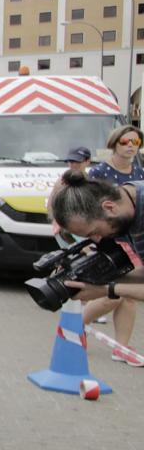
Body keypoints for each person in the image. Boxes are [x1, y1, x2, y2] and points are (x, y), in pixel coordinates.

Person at [48, 170, 144, 367]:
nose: (99, 241)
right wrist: (93, 278)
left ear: (109, 207)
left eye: (96, 232)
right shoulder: (126, 213)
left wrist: (107, 290)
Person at [79, 126, 144, 361]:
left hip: (135, 243)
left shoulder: (140, 173)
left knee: (129, 296)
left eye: (136, 141)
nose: (131, 145)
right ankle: (76, 326)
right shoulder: (99, 173)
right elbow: (87, 211)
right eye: (126, 141)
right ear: (114, 143)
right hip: (109, 242)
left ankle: (122, 348)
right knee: (111, 295)